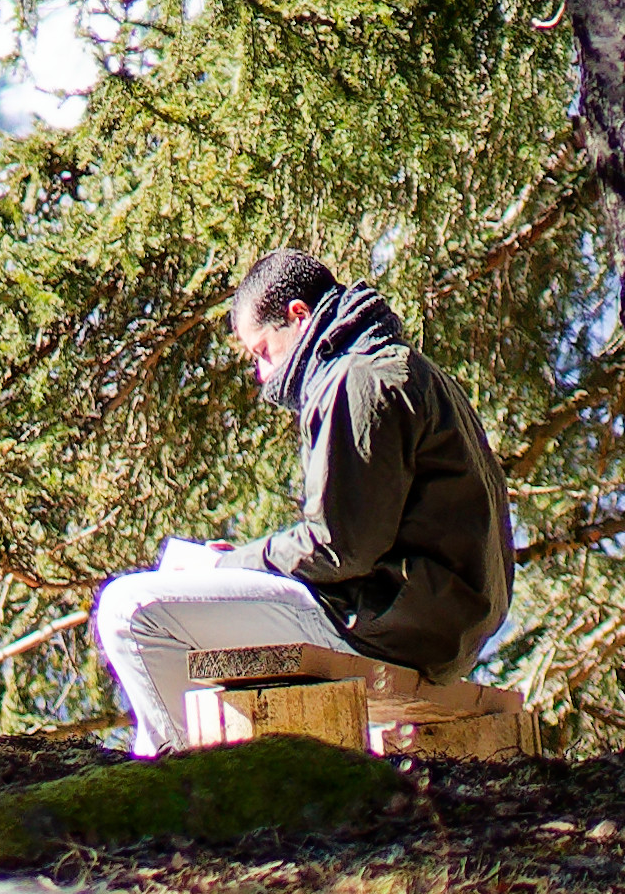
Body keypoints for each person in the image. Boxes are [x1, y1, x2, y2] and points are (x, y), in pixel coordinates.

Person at [83, 249, 513, 756]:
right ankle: (198, 765)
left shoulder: (357, 378)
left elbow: (340, 548)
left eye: (263, 352)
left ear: (299, 315)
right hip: (433, 626)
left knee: (129, 611)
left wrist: (223, 565)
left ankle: (183, 783)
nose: (262, 375)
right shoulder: (409, 370)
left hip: (388, 626)